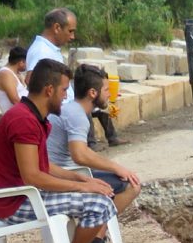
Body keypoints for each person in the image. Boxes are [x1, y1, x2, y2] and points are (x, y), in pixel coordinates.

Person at [0, 58, 123, 243]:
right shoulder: (23, 121)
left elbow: (44, 166)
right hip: (14, 203)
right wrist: (83, 186)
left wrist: (81, 177)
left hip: (25, 194)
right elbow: (33, 176)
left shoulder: (34, 118)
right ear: (49, 90)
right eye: (64, 90)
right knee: (101, 204)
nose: (66, 96)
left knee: (101, 195)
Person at [47, 64, 142, 221]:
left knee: (117, 178)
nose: (109, 93)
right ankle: (97, 233)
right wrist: (118, 168)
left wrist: (115, 168)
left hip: (63, 172)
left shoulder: (71, 109)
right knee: (132, 185)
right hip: (64, 177)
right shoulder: (77, 115)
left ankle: (95, 233)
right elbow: (80, 156)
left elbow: (82, 152)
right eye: (106, 90)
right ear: (92, 93)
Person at [27, 8, 127, 150]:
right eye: (70, 31)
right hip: (58, 114)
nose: (73, 36)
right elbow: (32, 81)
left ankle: (100, 142)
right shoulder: (41, 51)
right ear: (57, 28)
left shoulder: (49, 49)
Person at [0, 46, 28, 113]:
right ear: (21, 62)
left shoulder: (17, 74)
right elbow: (15, 100)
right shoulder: (5, 74)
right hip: (17, 116)